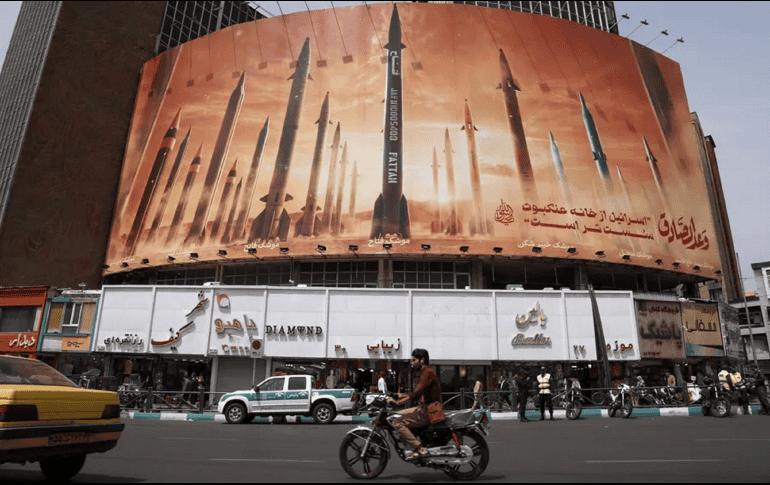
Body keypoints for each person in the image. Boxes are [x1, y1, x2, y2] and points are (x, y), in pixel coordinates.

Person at [390, 349, 443, 461]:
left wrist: (397, 402)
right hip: (424, 408)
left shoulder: (427, 373)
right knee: (396, 414)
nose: (412, 363)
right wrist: (395, 397)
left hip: (429, 411)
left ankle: (420, 448)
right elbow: (414, 393)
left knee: (397, 422)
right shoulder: (424, 372)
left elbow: (415, 394)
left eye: (414, 360)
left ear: (422, 360)